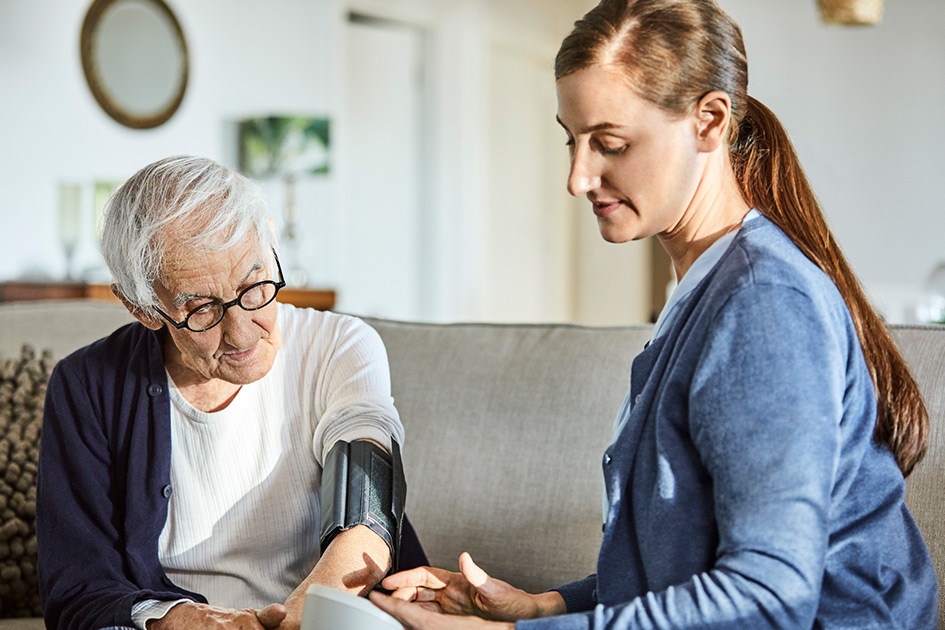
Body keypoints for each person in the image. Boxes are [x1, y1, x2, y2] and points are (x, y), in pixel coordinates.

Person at [368, 0, 938, 628]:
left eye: (609, 143)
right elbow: (685, 565)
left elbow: (768, 599)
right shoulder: (710, 286)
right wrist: (542, 607)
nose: (578, 177)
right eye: (572, 140)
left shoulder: (765, 305)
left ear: (710, 121)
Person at [37, 156, 425, 630]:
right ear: (142, 308)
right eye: (201, 310)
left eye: (254, 285)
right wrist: (180, 620)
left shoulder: (340, 346)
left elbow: (368, 514)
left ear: (270, 242)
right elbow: (78, 590)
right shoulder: (87, 386)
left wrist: (297, 622)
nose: (243, 334)